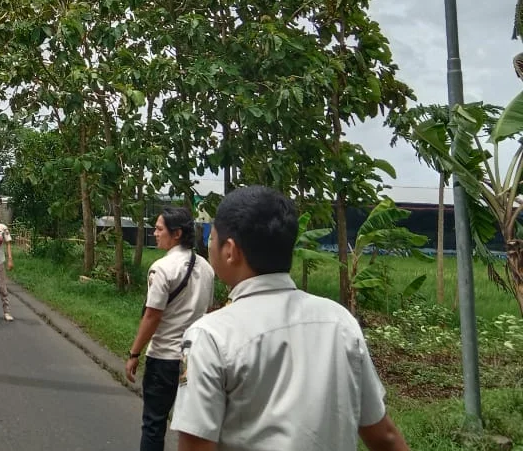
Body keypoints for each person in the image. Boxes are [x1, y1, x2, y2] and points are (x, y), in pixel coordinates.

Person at [172, 186, 409, 451]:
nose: (209, 246)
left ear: (230, 250)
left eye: (211, 238)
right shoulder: (339, 321)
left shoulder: (210, 335)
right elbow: (384, 436)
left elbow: (196, 444)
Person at [125, 207, 215, 451]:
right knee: (192, 427)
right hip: (194, 359)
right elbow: (208, 311)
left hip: (164, 358)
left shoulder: (162, 268)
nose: (154, 233)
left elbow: (152, 315)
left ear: (176, 234)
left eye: (159, 228)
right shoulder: (206, 268)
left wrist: (134, 353)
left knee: (154, 424)